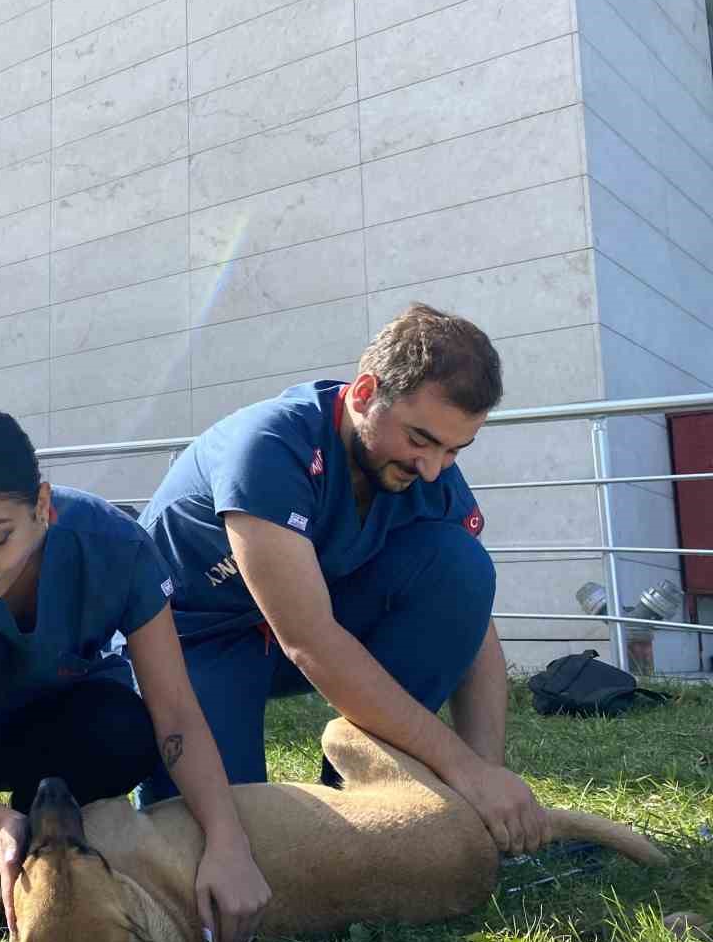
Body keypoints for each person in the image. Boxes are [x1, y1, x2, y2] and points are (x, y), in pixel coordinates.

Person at [138, 304, 550, 856]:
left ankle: (363, 790)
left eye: (455, 449)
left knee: (461, 566)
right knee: (232, 843)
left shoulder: (431, 472)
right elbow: (310, 642)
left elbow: (476, 627)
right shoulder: (268, 446)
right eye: (421, 440)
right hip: (197, 638)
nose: (432, 468)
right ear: (362, 393)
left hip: (304, 622)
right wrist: (460, 767)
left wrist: (485, 783)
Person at [0, 406, 270, 942]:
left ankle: (44, 841)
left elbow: (175, 713)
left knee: (127, 728)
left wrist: (229, 843)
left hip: (63, 725)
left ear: (43, 507)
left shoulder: (117, 548)